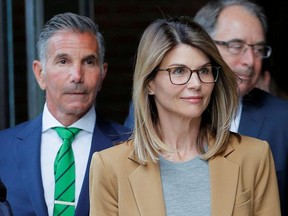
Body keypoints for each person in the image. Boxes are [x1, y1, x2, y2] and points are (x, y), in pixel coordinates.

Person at [89, 17, 280, 215]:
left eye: (204, 71)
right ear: (149, 83)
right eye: (179, 71)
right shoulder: (110, 166)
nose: (196, 83)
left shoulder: (254, 156)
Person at [0, 12, 130, 216]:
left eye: (88, 62)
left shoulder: (132, 147)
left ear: (102, 74)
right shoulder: (3, 149)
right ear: (40, 74)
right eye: (63, 61)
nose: (77, 76)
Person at [194, 0, 288, 214]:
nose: (250, 61)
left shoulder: (283, 120)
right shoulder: (161, 109)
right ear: (201, 45)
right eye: (237, 46)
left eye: (258, 49)